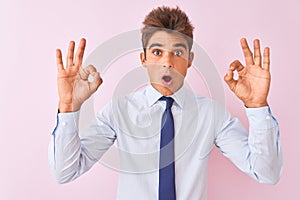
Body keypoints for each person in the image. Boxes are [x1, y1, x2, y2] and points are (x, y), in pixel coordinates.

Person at [48, 6, 282, 200]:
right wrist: (68, 107)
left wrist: (257, 106)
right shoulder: (119, 111)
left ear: (190, 60)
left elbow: (267, 173)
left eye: (178, 52)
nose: (167, 63)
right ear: (144, 59)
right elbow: (65, 172)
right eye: (157, 52)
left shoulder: (212, 115)